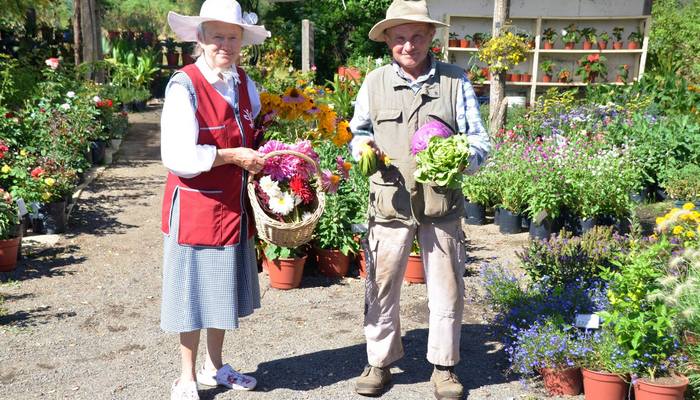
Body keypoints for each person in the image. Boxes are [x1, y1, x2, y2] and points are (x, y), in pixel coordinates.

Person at [349, 1, 491, 399]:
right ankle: (379, 361)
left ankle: (444, 367)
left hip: (440, 206)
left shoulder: (455, 81)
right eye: (399, 38)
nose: (407, 45)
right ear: (389, 42)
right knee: (380, 285)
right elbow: (357, 131)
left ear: (430, 38)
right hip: (388, 203)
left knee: (447, 288)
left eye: (416, 36)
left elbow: (479, 140)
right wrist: (364, 149)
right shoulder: (374, 82)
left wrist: (463, 160)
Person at [159, 1, 270, 399]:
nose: (225, 44)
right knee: (191, 295)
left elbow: (253, 129)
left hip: (231, 206)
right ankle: (186, 377)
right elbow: (177, 157)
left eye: (233, 36)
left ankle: (215, 367)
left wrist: (266, 158)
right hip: (195, 206)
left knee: (221, 292)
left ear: (242, 42)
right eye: (217, 36)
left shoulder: (243, 82)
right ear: (201, 38)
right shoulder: (184, 84)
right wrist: (231, 156)